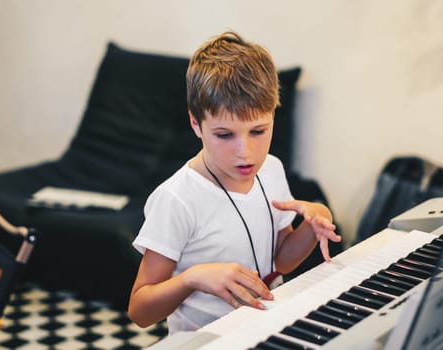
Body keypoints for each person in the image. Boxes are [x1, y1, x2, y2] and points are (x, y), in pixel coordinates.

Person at [128, 31, 341, 334]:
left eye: (258, 131)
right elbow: (140, 310)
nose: (246, 153)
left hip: (266, 329)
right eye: (225, 135)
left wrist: (315, 221)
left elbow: (280, 261)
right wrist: (193, 277)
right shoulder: (177, 199)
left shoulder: (271, 169)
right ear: (195, 124)